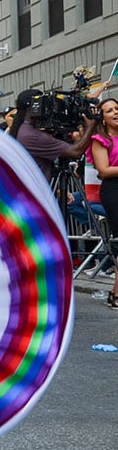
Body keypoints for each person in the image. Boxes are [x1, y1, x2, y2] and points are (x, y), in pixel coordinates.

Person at [9, 88, 95, 182]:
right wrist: (90, 126)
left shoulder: (21, 129)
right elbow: (76, 152)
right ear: (32, 107)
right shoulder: (32, 135)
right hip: (37, 192)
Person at [89, 97, 118, 307]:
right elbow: (104, 170)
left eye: (117, 108)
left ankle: (115, 293)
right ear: (103, 118)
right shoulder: (100, 139)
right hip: (113, 190)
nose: (115, 112)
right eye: (109, 110)